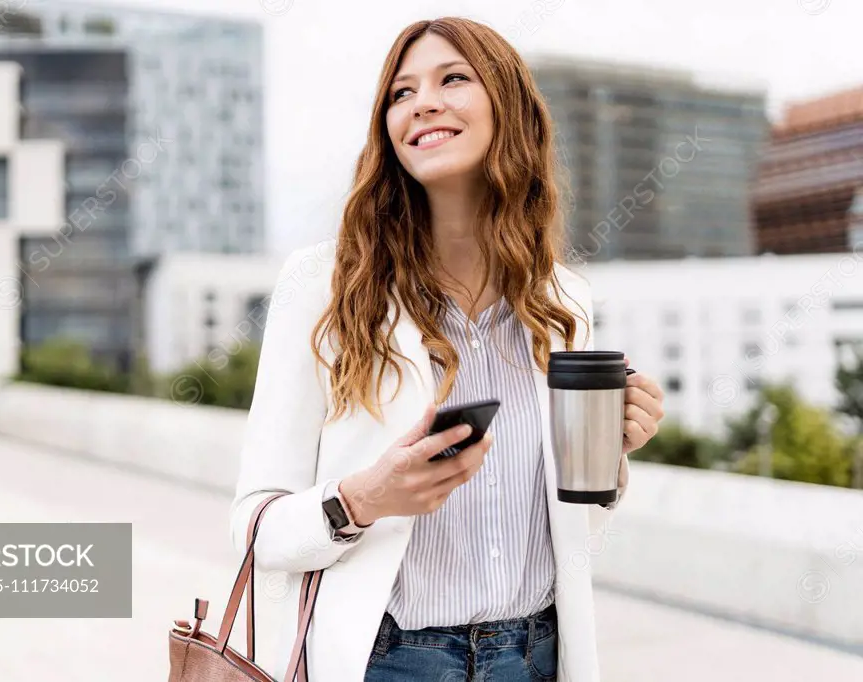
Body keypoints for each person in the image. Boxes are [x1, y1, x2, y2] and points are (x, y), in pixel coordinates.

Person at [229, 16, 665, 682]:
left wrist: (611, 455)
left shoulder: (564, 300)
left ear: (508, 108)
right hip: (389, 662)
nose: (423, 101)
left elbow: (574, 526)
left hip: (537, 657)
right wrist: (363, 498)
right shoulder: (324, 288)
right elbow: (253, 530)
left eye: (452, 78)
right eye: (402, 93)